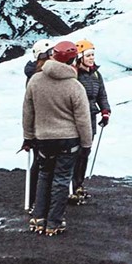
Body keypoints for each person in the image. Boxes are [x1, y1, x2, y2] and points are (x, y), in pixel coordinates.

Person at [22, 40, 92, 236]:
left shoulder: (36, 80)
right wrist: (86, 144)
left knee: (45, 175)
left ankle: (39, 217)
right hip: (68, 139)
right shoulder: (74, 86)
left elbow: (28, 111)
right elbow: (83, 119)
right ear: (72, 61)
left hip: (43, 138)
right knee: (61, 179)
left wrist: (28, 137)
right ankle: (54, 221)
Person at [69, 39, 110, 203]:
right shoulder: (73, 74)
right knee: (74, 152)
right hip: (75, 118)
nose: (92, 58)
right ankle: (71, 185)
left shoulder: (96, 74)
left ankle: (79, 184)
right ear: (80, 57)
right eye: (88, 55)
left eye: (92, 55)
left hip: (90, 116)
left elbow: (102, 95)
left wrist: (105, 111)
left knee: (85, 152)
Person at [22, 38, 57, 213]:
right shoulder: (36, 78)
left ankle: (38, 199)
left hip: (43, 125)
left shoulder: (35, 76)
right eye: (51, 53)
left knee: (42, 162)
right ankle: (37, 199)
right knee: (41, 163)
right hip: (41, 126)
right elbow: (30, 106)